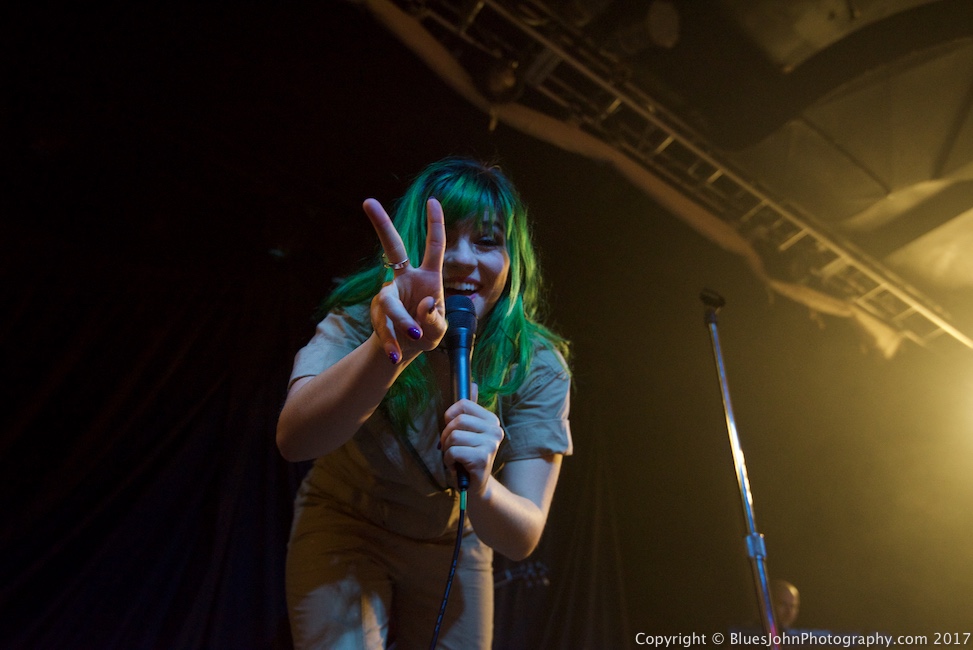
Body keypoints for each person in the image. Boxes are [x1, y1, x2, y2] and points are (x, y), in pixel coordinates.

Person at [276, 157, 572, 650]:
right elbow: (294, 439)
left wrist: (481, 484)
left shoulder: (536, 364)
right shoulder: (357, 324)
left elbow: (522, 535)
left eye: (486, 240)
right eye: (443, 238)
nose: (460, 259)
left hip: (452, 541)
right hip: (347, 521)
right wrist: (394, 348)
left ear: (513, 259)